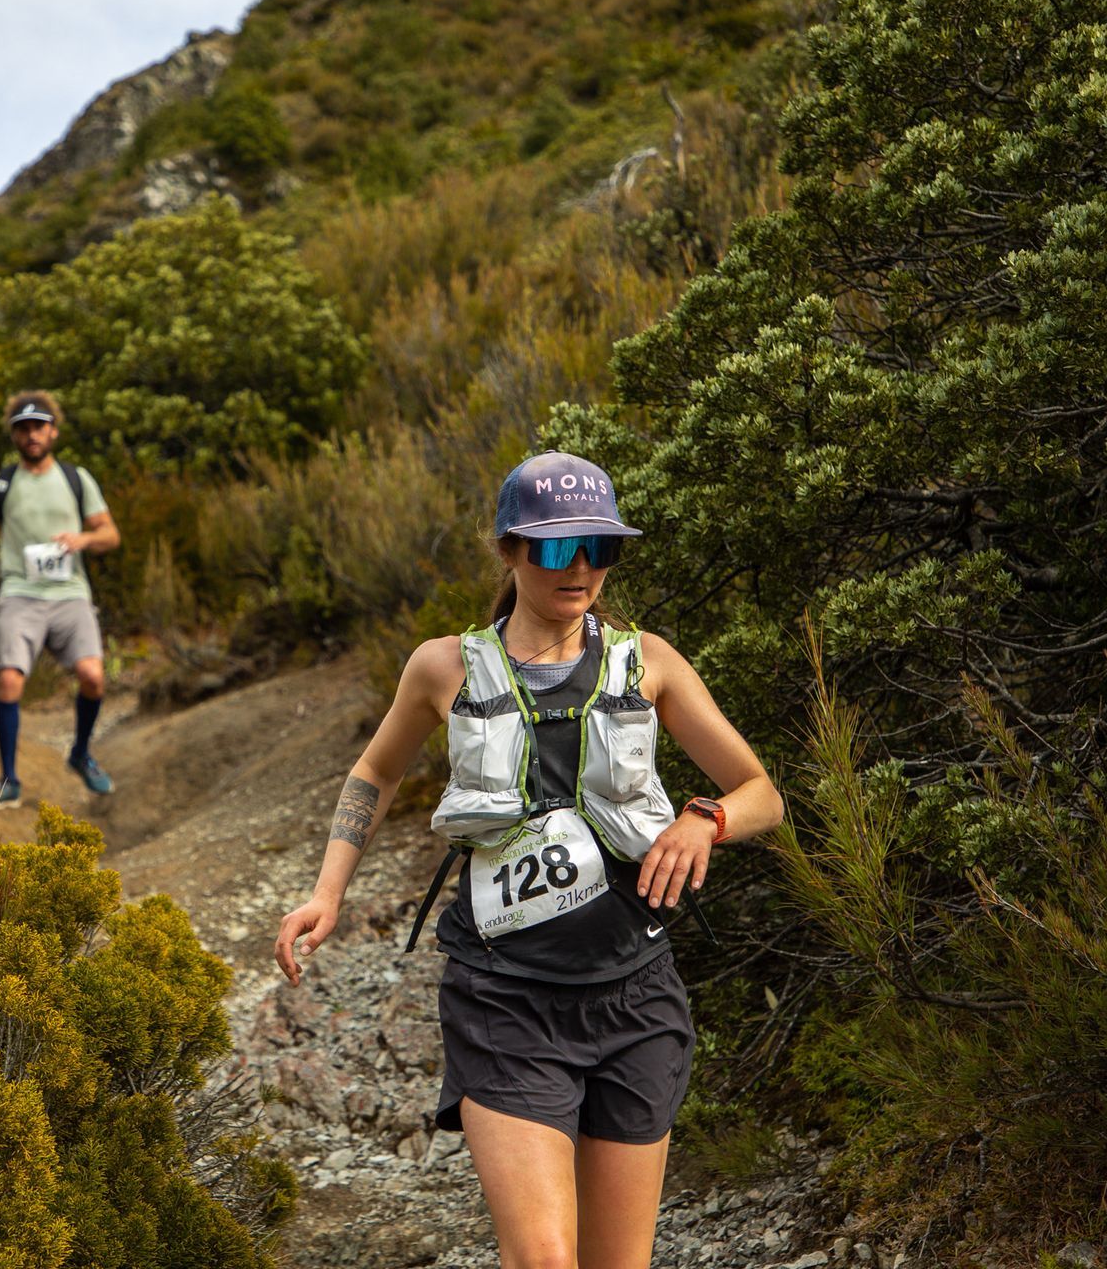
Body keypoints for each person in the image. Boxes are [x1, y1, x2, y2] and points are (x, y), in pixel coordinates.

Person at [275, 450, 784, 1269]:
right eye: (554, 548)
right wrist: (327, 892)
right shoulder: (443, 667)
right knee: (545, 1260)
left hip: (635, 998)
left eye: (599, 547)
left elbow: (761, 790)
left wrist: (706, 821)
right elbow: (376, 769)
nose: (579, 568)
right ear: (509, 550)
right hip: (504, 1001)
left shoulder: (648, 661)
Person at [0, 390, 122, 805]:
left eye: (38, 426)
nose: (31, 435)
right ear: (14, 436)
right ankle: (9, 781)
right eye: (23, 429)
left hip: (70, 594)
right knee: (9, 678)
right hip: (19, 593)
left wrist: (83, 538)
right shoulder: (1, 483)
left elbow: (111, 534)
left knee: (93, 676)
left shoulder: (76, 478)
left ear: (53, 431)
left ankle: (81, 753)